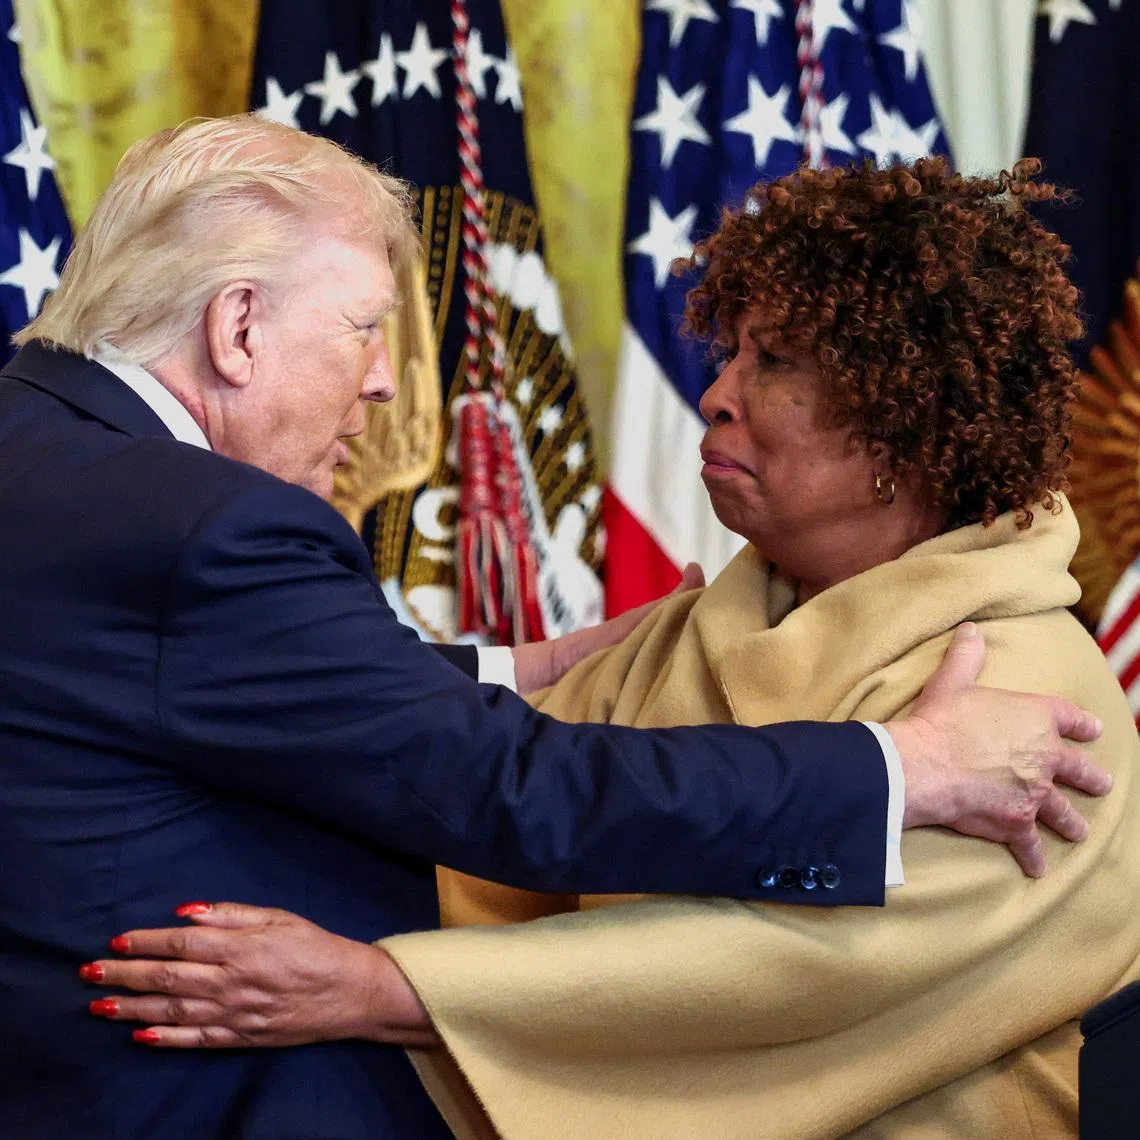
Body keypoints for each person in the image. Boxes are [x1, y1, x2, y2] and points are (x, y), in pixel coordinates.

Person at [0, 114, 1105, 1140]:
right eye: (366, 329)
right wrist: (897, 771)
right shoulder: (200, 527)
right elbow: (499, 786)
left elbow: (824, 971)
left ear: (906, 423)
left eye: (775, 362)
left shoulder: (1029, 700)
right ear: (238, 328)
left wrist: (390, 988)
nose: (714, 393)